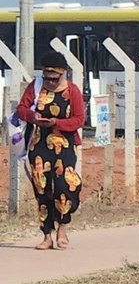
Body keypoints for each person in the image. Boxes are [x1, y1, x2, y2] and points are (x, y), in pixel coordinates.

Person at [16, 51, 85, 250]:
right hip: (39, 145)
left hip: (65, 145)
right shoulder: (35, 87)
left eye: (54, 78)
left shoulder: (72, 91)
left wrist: (57, 122)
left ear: (63, 74)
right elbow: (21, 108)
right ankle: (47, 235)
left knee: (65, 186)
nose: (50, 82)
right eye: (47, 78)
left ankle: (62, 228)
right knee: (42, 189)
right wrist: (32, 116)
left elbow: (79, 119)